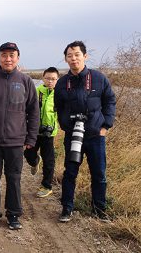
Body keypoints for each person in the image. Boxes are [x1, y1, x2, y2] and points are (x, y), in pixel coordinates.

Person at [0, 42, 39, 231]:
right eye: (4, 55)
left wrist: (31, 139)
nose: (8, 59)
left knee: (14, 177)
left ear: (17, 58)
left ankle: (13, 215)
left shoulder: (26, 82)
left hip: (16, 140)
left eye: (11, 55)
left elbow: (34, 112)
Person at [55, 41, 116, 223]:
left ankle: (99, 209)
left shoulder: (98, 78)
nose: (73, 59)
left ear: (85, 56)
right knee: (70, 172)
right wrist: (65, 124)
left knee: (99, 174)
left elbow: (110, 101)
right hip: (73, 135)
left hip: (95, 135)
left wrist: (105, 126)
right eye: (69, 56)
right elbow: (58, 106)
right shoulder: (63, 83)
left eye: (77, 55)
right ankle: (67, 208)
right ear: (66, 59)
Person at [30, 67, 60, 198]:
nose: (50, 81)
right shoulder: (37, 92)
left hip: (49, 133)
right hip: (34, 130)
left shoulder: (60, 95)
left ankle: (46, 186)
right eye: (48, 78)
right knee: (28, 153)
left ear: (57, 80)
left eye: (53, 79)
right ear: (43, 78)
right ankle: (35, 161)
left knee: (49, 161)